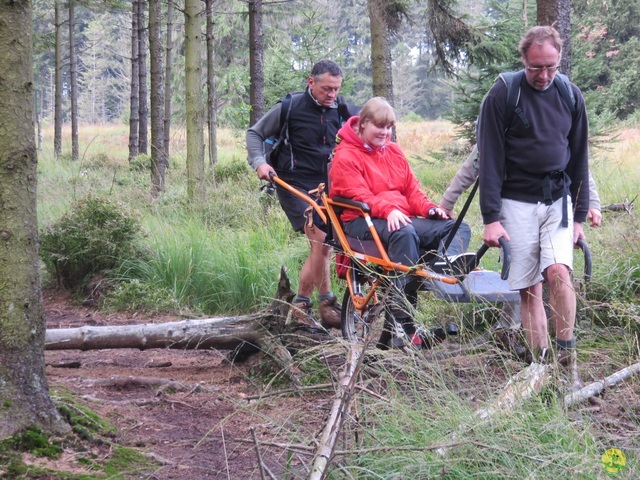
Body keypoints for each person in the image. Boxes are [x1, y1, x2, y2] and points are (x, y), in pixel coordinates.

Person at [476, 26, 589, 389]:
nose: (543, 76)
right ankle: (541, 366)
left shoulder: (570, 94)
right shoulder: (503, 94)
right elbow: (489, 160)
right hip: (516, 201)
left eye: (551, 67)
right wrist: (491, 219)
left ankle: (567, 364)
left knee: (559, 273)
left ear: (559, 59)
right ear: (523, 59)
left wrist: (581, 216)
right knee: (530, 289)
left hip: (558, 200)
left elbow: (579, 158)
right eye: (536, 68)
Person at [330, 97, 473, 348]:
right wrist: (388, 210)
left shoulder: (394, 152)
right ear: (363, 124)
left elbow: (411, 191)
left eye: (389, 128)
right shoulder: (346, 155)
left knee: (457, 226)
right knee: (404, 233)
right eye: (379, 127)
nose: (385, 133)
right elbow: (357, 195)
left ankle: (443, 266)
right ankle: (403, 325)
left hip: (397, 219)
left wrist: (430, 209)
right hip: (362, 222)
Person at [246, 60, 347, 331]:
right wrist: (259, 162)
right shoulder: (289, 107)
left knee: (324, 246)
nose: (332, 95)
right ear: (310, 82)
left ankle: (301, 304)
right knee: (320, 237)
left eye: (336, 89)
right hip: (292, 184)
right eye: (327, 88)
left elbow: (364, 130)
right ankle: (326, 303)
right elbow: (255, 133)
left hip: (326, 188)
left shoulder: (342, 108)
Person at [439, 144, 603, 227]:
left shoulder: (558, 113)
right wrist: (447, 203)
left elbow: (577, 162)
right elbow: (473, 165)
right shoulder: (503, 111)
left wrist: (592, 202)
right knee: (528, 275)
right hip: (515, 203)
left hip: (556, 201)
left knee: (557, 268)